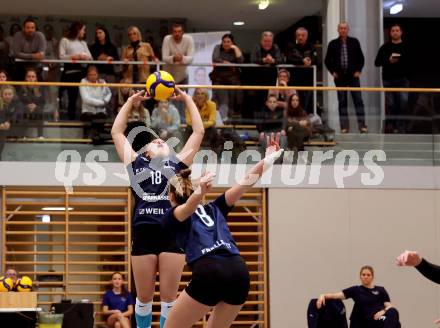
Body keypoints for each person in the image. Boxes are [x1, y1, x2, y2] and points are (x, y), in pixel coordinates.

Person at [162, 134, 283, 328]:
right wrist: (267, 160)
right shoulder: (214, 207)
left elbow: (186, 209)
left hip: (210, 270)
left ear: (170, 196)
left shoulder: (172, 216)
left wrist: (200, 191)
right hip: (239, 271)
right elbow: (245, 181)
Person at [111, 86, 204, 328]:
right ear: (146, 150)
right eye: (154, 141)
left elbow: (198, 131)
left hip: (171, 233)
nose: (160, 140)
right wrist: (131, 102)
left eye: (163, 140)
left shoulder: (176, 165)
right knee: (143, 298)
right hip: (143, 233)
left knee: (168, 299)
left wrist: (186, 99)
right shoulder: (135, 163)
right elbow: (117, 132)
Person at [316, 266, 401, 328]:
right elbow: (335, 296)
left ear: (372, 276)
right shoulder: (356, 290)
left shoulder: (381, 290)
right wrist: (322, 295)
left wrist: (382, 311)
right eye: (363, 274)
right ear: (360, 276)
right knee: (391, 319)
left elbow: (389, 306)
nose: (366, 277)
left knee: (393, 312)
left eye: (368, 275)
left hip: (377, 318)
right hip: (364, 321)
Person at [325, 22, 367, 133]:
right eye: (341, 28)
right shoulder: (333, 44)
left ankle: (362, 126)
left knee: (358, 100)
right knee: (342, 102)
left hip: (353, 76)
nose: (343, 30)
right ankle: (344, 127)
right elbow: (327, 60)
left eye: (345, 28)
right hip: (340, 78)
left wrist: (358, 70)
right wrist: (332, 71)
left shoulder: (354, 42)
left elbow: (361, 58)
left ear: (348, 30)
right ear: (338, 30)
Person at [375, 24, 409, 133]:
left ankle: (400, 126)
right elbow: (377, 62)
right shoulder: (385, 47)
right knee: (392, 104)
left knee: (403, 102)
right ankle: (393, 125)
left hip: (403, 79)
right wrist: (388, 61)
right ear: (390, 33)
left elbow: (412, 61)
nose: (395, 32)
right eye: (393, 30)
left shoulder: (406, 46)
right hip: (388, 79)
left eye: (397, 30)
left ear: (401, 32)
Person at [59, 21, 92, 120]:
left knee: (83, 98)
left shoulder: (83, 43)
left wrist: (84, 58)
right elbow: (61, 57)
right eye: (83, 30)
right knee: (72, 97)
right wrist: (75, 56)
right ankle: (71, 119)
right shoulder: (65, 40)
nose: (84, 32)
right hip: (70, 73)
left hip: (82, 73)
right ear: (78, 30)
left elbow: (90, 57)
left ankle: (84, 118)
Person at [162, 23, 195, 120]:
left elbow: (191, 58)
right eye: (175, 32)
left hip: (183, 76)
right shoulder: (167, 39)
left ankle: (182, 123)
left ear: (183, 32)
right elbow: (164, 57)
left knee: (182, 101)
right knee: (167, 102)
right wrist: (174, 58)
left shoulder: (189, 39)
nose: (177, 34)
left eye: (179, 31)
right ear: (172, 33)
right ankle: (167, 124)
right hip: (168, 77)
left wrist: (182, 58)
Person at [211, 33, 244, 120]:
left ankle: (230, 124)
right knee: (224, 101)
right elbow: (215, 58)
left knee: (232, 103)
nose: (226, 43)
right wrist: (227, 63)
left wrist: (235, 48)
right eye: (224, 41)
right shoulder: (217, 47)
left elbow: (241, 61)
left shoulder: (234, 50)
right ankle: (224, 122)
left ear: (232, 42)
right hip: (219, 80)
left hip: (233, 81)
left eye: (228, 42)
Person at [250, 31, 284, 115]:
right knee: (258, 100)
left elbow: (281, 60)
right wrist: (263, 60)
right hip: (257, 79)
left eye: (269, 41)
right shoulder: (257, 47)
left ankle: (270, 119)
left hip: (271, 79)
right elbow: (252, 59)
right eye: (265, 41)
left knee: (271, 100)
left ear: (272, 41)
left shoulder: (275, 47)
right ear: (261, 41)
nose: (267, 43)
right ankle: (258, 122)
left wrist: (273, 60)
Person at [285, 27, 317, 114]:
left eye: (303, 35)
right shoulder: (291, 46)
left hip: (308, 81)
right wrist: (302, 61)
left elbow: (316, 59)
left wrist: (310, 61)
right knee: (294, 102)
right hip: (294, 80)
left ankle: (306, 122)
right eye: (298, 35)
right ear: (296, 36)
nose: (300, 37)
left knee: (307, 104)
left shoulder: (311, 46)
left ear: (306, 36)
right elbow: (289, 58)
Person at [79, 65, 111, 141]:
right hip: (87, 111)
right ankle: (87, 137)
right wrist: (101, 103)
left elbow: (109, 93)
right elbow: (86, 99)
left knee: (100, 117)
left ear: (97, 75)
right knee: (89, 117)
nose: (93, 76)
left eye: (94, 74)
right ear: (87, 75)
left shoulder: (102, 82)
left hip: (100, 111)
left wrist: (105, 101)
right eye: (90, 75)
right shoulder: (83, 82)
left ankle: (98, 138)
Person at [186, 88, 220, 152]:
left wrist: (200, 125)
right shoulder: (190, 105)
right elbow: (188, 121)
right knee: (188, 129)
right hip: (194, 129)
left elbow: (212, 121)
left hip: (206, 128)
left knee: (213, 130)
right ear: (195, 96)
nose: (200, 96)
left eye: (202, 94)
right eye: (198, 94)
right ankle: (188, 152)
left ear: (206, 96)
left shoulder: (212, 105)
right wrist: (200, 125)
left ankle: (215, 153)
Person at [18, 67, 45, 138]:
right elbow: (19, 101)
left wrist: (35, 106)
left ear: (36, 78)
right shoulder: (22, 88)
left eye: (33, 76)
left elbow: (43, 102)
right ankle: (22, 135)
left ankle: (40, 136)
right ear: (26, 78)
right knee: (22, 110)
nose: (31, 78)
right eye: (29, 76)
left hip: (36, 111)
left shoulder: (39, 88)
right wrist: (27, 106)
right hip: (25, 110)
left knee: (40, 111)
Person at [42, 24, 60, 121]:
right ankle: (45, 116)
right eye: (46, 31)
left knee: (54, 96)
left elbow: (57, 57)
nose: (48, 33)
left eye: (50, 31)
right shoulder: (42, 42)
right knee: (45, 96)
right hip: (43, 70)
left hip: (54, 71)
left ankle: (55, 115)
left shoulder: (55, 42)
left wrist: (52, 66)